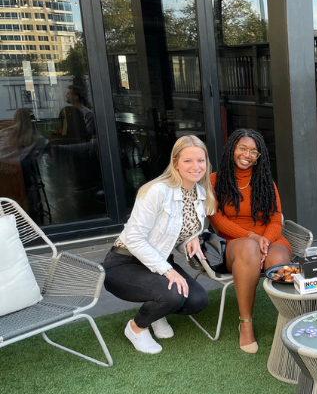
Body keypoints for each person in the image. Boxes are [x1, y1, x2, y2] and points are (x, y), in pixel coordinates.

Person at [103, 135, 216, 354]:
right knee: (173, 294)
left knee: (197, 300)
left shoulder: (200, 193)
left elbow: (174, 234)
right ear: (175, 163)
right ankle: (136, 327)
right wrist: (168, 271)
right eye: (188, 161)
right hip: (125, 262)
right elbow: (135, 239)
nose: (196, 166)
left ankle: (157, 313)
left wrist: (190, 238)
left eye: (200, 160)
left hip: (159, 260)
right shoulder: (157, 191)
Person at [209, 128, 292, 353]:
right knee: (248, 249)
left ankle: (290, 321)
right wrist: (252, 237)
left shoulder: (265, 181)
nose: (247, 154)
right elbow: (216, 218)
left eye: (253, 151)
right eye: (242, 148)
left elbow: (275, 219)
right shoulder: (214, 180)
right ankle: (245, 323)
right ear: (232, 149)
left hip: (268, 238)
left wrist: (264, 240)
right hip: (235, 243)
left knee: (279, 258)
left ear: (259, 157)